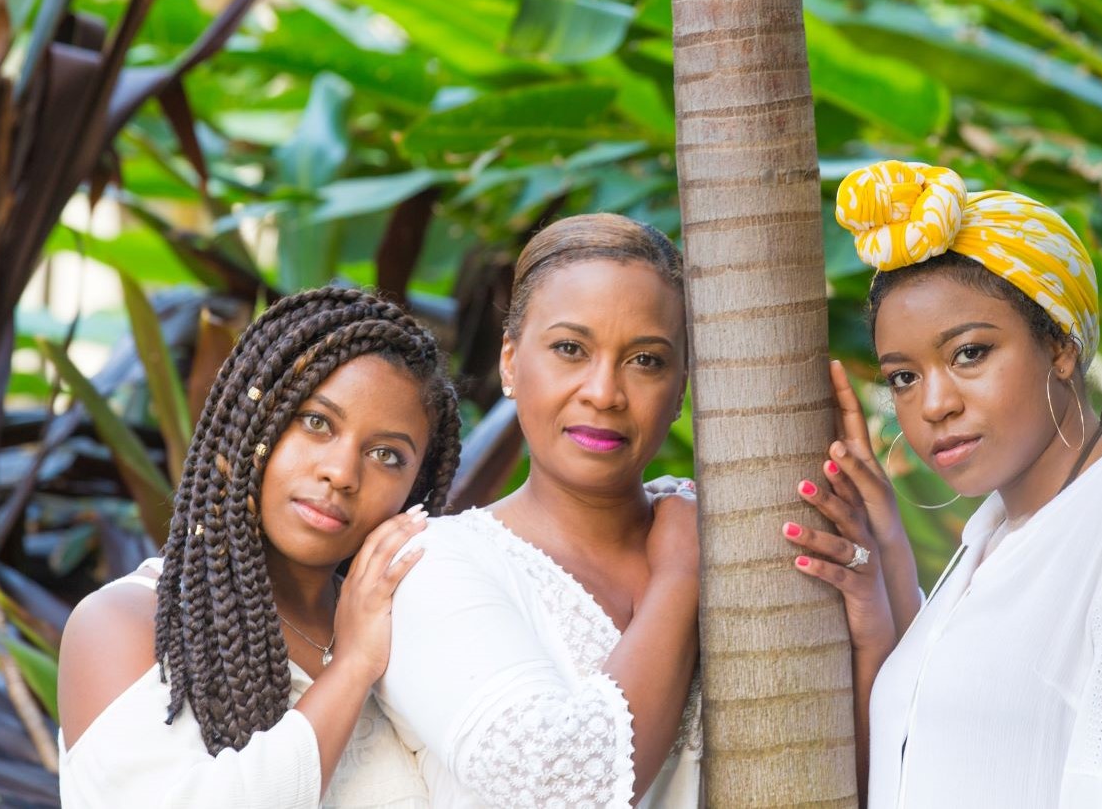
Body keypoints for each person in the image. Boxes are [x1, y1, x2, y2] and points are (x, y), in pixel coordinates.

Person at [783, 160, 1102, 807]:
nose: (934, 404)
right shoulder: (995, 536)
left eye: (970, 353)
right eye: (903, 377)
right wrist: (883, 566)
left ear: (1060, 346)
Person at [57, 286, 462, 808]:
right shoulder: (125, 623)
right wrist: (353, 665)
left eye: (386, 454)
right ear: (251, 426)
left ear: (417, 485)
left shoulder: (411, 627)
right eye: (317, 423)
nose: (340, 473)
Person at [379, 214, 702, 808]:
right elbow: (566, 790)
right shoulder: (436, 565)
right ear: (510, 361)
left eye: (647, 360)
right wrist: (681, 577)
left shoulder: (724, 532)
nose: (604, 392)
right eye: (570, 349)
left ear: (683, 386)